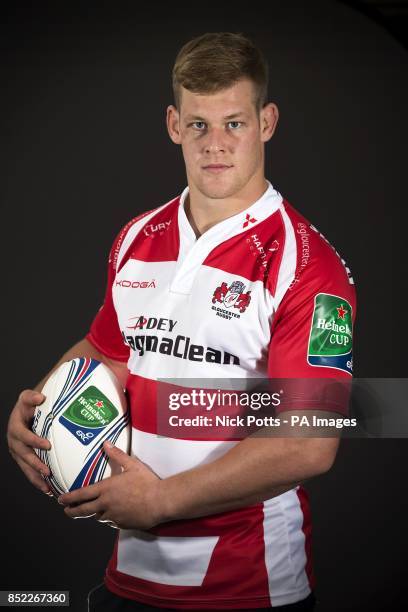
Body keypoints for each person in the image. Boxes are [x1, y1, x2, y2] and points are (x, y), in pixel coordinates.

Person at [7, 32, 356, 611]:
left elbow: (309, 441)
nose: (215, 145)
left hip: (249, 588)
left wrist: (161, 501)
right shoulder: (138, 237)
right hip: (129, 576)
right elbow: (110, 352)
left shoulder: (308, 265)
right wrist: (34, 414)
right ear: (174, 124)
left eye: (234, 124)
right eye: (199, 125)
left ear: (267, 122)